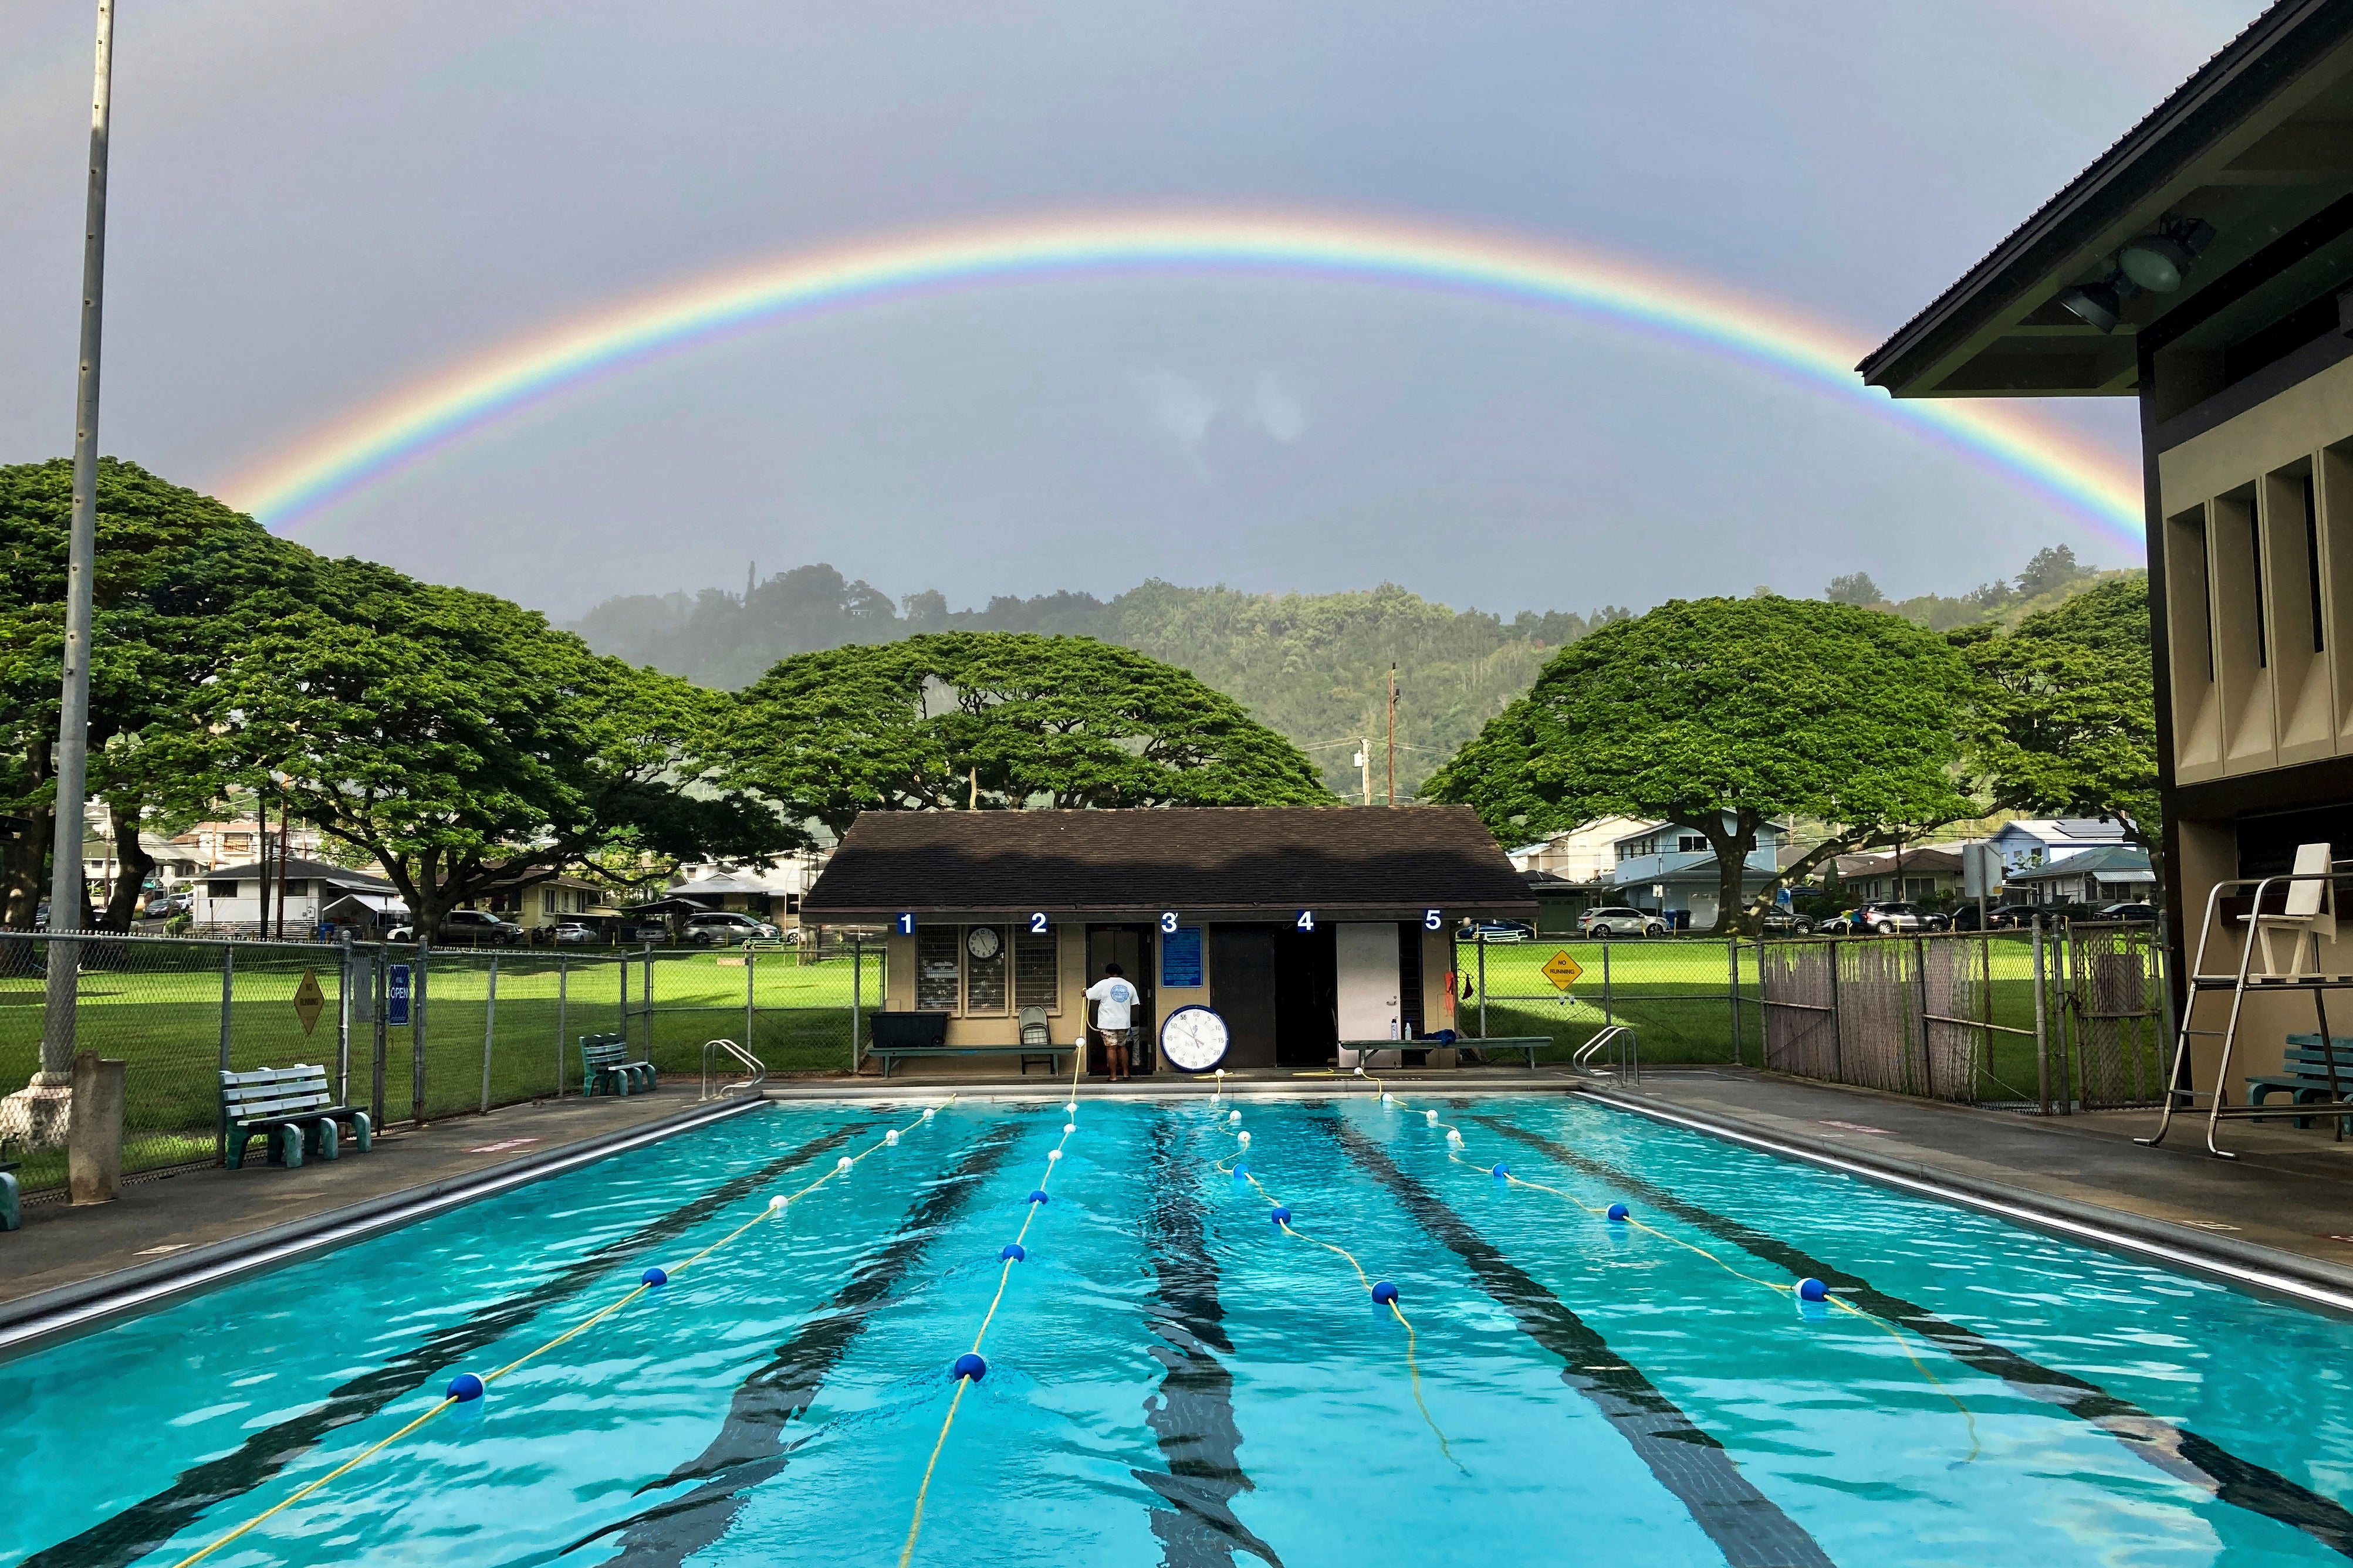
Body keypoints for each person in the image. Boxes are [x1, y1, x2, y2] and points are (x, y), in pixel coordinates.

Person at [1085, 962, 1141, 1081]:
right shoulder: (1129, 985)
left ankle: (1113, 1076)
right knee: (1122, 1046)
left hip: (1107, 1023)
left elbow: (1089, 994)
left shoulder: (1104, 984)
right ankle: (1126, 1074)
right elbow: (1135, 1004)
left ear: (1108, 973)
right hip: (1124, 1022)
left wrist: (1083, 992)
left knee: (1111, 1048)